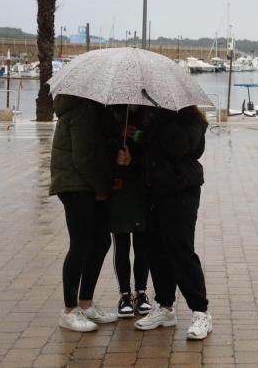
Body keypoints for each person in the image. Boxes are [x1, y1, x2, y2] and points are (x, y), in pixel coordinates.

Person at [134, 106, 212, 340]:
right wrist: (138, 137)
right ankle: (165, 306)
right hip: (153, 190)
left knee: (181, 249)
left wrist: (162, 119)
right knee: (156, 250)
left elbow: (179, 146)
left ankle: (200, 311)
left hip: (181, 190)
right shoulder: (153, 117)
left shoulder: (190, 119)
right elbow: (151, 150)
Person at [50, 95, 119, 332]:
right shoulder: (82, 111)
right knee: (81, 245)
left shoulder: (93, 111)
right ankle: (69, 310)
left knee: (100, 242)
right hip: (76, 186)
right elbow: (83, 158)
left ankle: (86, 303)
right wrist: (101, 188)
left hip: (87, 185)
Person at [106, 106, 152, 318]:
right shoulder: (109, 112)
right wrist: (117, 144)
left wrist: (138, 139)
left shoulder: (150, 111)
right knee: (122, 243)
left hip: (143, 187)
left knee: (142, 245)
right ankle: (125, 294)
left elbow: (156, 145)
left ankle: (141, 292)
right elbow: (100, 143)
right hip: (119, 187)